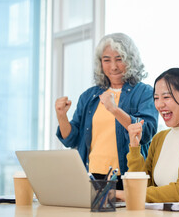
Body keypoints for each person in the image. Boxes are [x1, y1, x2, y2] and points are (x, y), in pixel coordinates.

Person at [55, 33, 158, 190]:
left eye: (119, 59)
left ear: (130, 60)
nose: (113, 66)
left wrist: (113, 109)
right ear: (100, 63)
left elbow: (146, 132)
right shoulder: (89, 96)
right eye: (107, 60)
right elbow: (72, 140)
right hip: (90, 176)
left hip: (126, 176)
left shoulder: (144, 92)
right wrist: (62, 116)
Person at [116, 68, 179, 203]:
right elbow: (144, 187)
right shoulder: (160, 138)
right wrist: (135, 148)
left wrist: (126, 194)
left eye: (166, 97)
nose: (159, 104)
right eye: (156, 98)